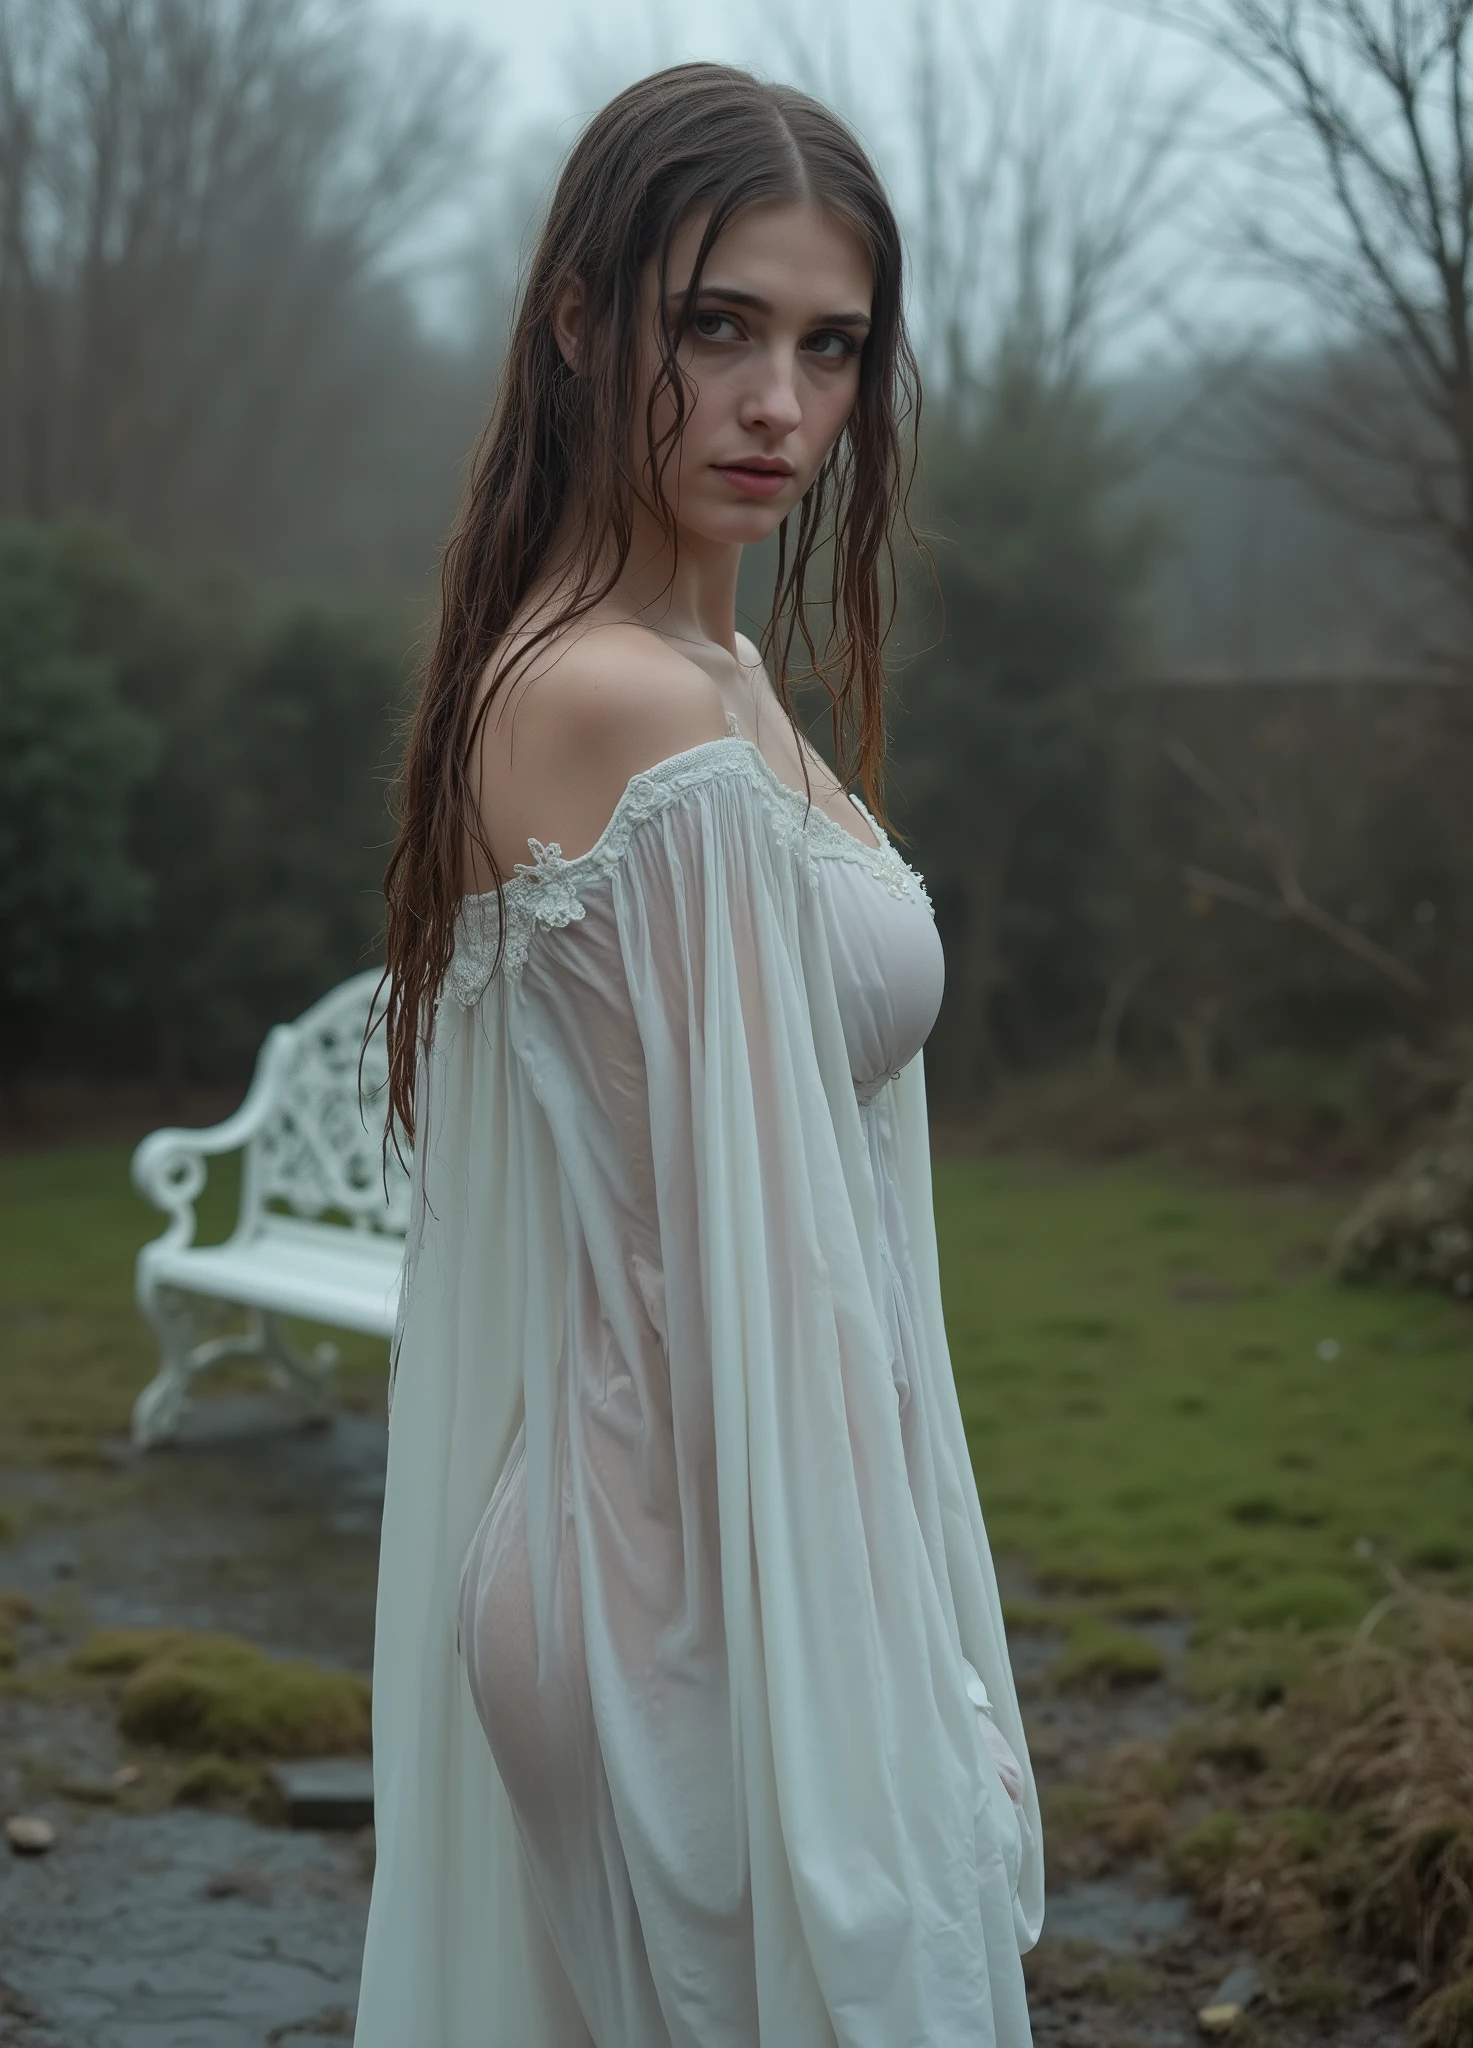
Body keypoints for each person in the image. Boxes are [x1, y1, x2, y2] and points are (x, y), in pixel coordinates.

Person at [355, 61, 1044, 2048]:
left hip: (719, 1559)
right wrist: (906, 1689)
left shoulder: (716, 674)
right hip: (690, 1602)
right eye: (717, 325)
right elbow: (769, 1290)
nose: (781, 405)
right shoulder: (615, 708)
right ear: (582, 322)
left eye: (831, 347)